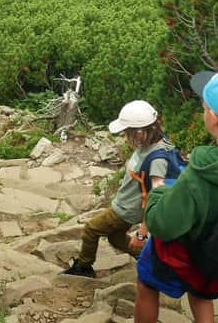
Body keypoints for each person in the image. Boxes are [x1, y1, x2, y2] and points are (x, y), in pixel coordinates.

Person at [135, 68, 218, 323]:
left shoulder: (199, 176)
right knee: (202, 296)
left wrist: (159, 193)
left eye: (203, 106)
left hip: (188, 259)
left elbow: (162, 226)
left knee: (146, 283)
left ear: (213, 118)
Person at [63, 100, 175, 278]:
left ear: (140, 132)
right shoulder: (150, 144)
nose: (125, 135)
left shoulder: (157, 159)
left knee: (91, 230)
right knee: (116, 238)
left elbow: (157, 195)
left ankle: (84, 267)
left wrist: (142, 234)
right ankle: (153, 260)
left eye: (127, 132)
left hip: (126, 210)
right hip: (126, 204)